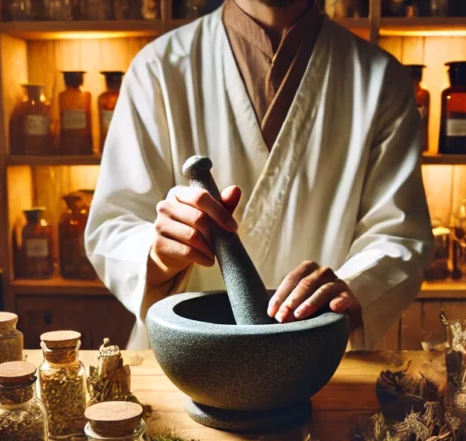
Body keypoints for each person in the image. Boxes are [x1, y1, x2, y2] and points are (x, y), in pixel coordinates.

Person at [85, 0, 432, 349]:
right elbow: (114, 224)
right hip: (181, 358)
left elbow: (399, 234)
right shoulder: (157, 68)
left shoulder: (380, 80)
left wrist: (354, 285)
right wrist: (159, 253)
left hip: (319, 360)